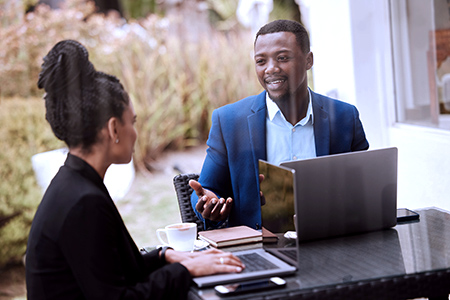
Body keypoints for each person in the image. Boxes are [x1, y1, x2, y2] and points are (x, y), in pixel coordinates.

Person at [25, 40, 244, 300]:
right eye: (133, 122)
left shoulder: (73, 183)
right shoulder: (83, 202)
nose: (136, 132)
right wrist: (185, 269)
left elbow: (111, 269)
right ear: (113, 129)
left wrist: (164, 256)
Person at [190, 19, 369, 230]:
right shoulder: (229, 121)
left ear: (308, 60)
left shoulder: (345, 117)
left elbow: (366, 187)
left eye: (283, 58)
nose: (271, 69)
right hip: (260, 247)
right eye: (261, 61)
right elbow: (207, 188)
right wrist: (209, 203)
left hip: (333, 240)